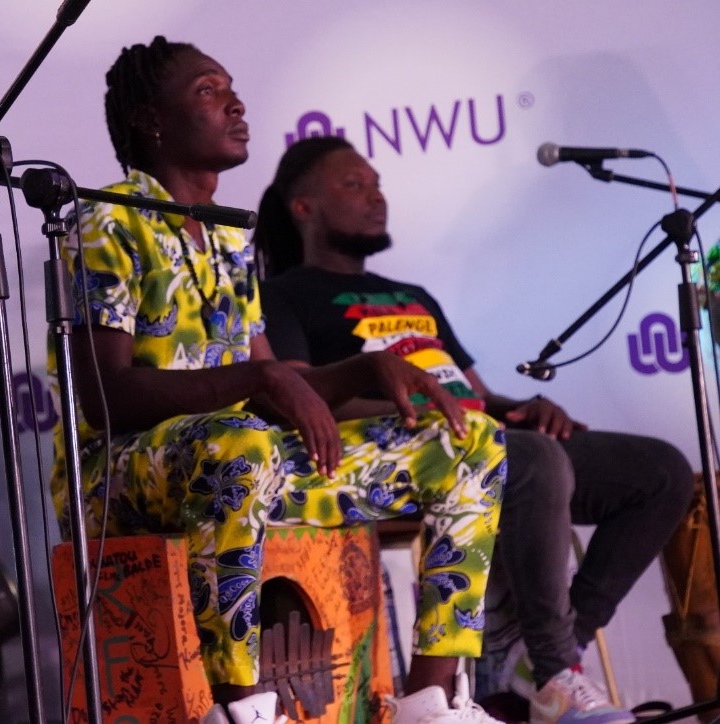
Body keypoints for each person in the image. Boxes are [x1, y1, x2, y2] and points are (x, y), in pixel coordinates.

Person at [51, 36, 508, 724]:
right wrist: (258, 381)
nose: (235, 103)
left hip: (243, 462)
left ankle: (431, 700)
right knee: (241, 444)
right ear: (152, 118)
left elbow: (280, 377)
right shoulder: (107, 219)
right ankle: (239, 708)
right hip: (123, 476)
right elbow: (107, 396)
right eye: (208, 91)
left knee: (470, 441)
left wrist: (364, 369)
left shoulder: (231, 234)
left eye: (233, 87)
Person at [254, 135, 695, 723]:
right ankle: (554, 672)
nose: (375, 196)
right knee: (533, 459)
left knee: (659, 471)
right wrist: (420, 413)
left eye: (377, 183)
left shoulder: (412, 295)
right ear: (302, 207)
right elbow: (305, 399)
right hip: (406, 451)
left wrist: (525, 405)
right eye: (354, 185)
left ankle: (536, 659)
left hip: (483, 437)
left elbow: (474, 395)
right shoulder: (281, 296)